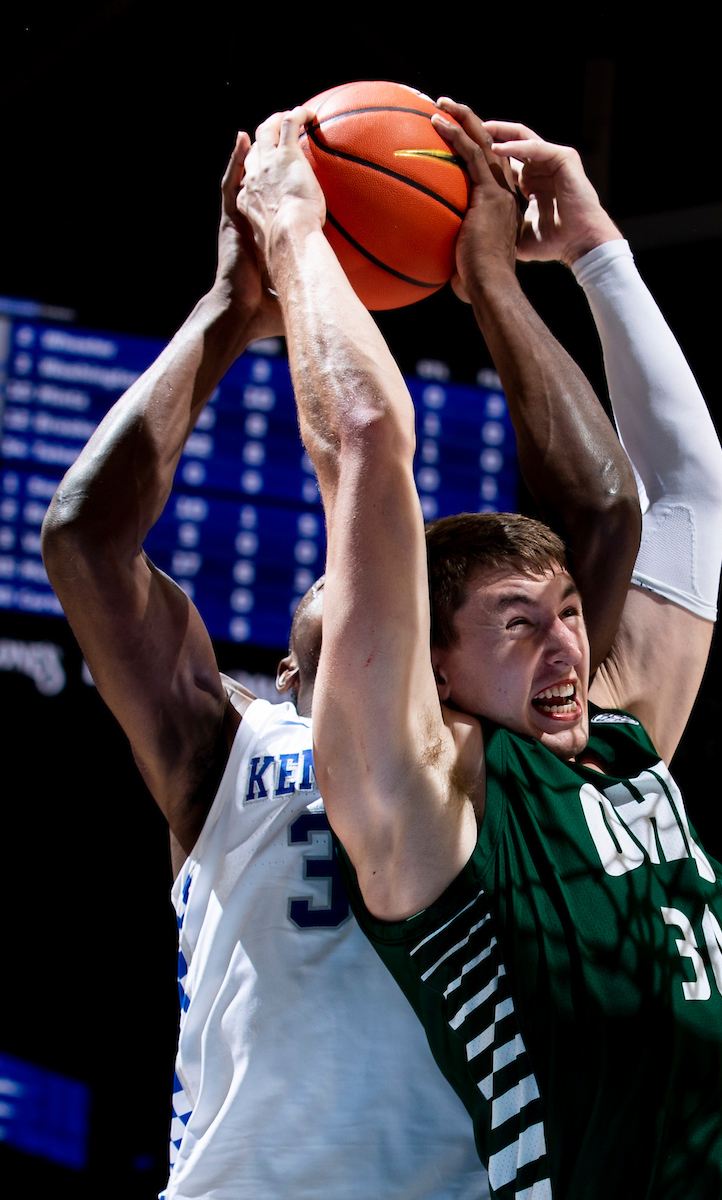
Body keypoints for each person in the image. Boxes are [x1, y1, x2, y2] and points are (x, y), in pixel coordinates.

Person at [40, 117, 639, 1199]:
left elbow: (601, 513)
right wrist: (229, 307)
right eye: (344, 583)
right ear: (281, 670)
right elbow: (83, 537)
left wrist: (492, 285)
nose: (376, 582)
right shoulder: (221, 744)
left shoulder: (495, 732)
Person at [237, 99, 722, 1199]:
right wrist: (298, 232)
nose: (565, 648)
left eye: (570, 614)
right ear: (431, 669)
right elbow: (363, 441)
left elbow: (688, 496)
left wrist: (592, 252)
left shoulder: (623, 744)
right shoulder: (429, 812)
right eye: (516, 624)